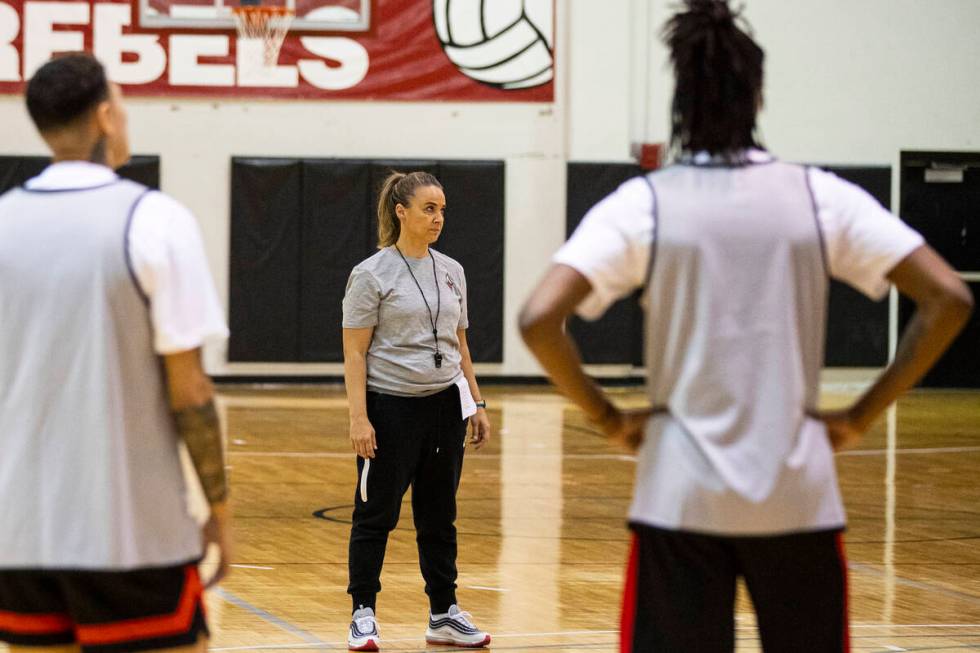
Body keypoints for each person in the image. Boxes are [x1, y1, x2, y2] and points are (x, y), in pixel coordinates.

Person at [518, 1, 973, 651]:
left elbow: (538, 318)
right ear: (756, 94)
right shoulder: (821, 196)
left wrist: (609, 416)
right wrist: (862, 414)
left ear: (681, 96)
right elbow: (948, 297)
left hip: (678, 498)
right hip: (799, 499)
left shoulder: (645, 201)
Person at [0, 53, 232, 653]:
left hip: (17, 537)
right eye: (123, 104)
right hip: (129, 534)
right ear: (106, 116)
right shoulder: (155, 220)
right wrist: (220, 511)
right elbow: (191, 391)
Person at [341, 171, 492, 651]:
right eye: (429, 208)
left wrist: (476, 400)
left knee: (439, 515)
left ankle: (443, 613)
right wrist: (359, 418)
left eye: (442, 209)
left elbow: (460, 342)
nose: (438, 218)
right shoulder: (371, 274)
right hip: (390, 410)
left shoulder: (452, 270)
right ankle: (363, 612)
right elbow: (355, 354)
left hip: (445, 407)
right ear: (400, 211)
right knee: (375, 516)